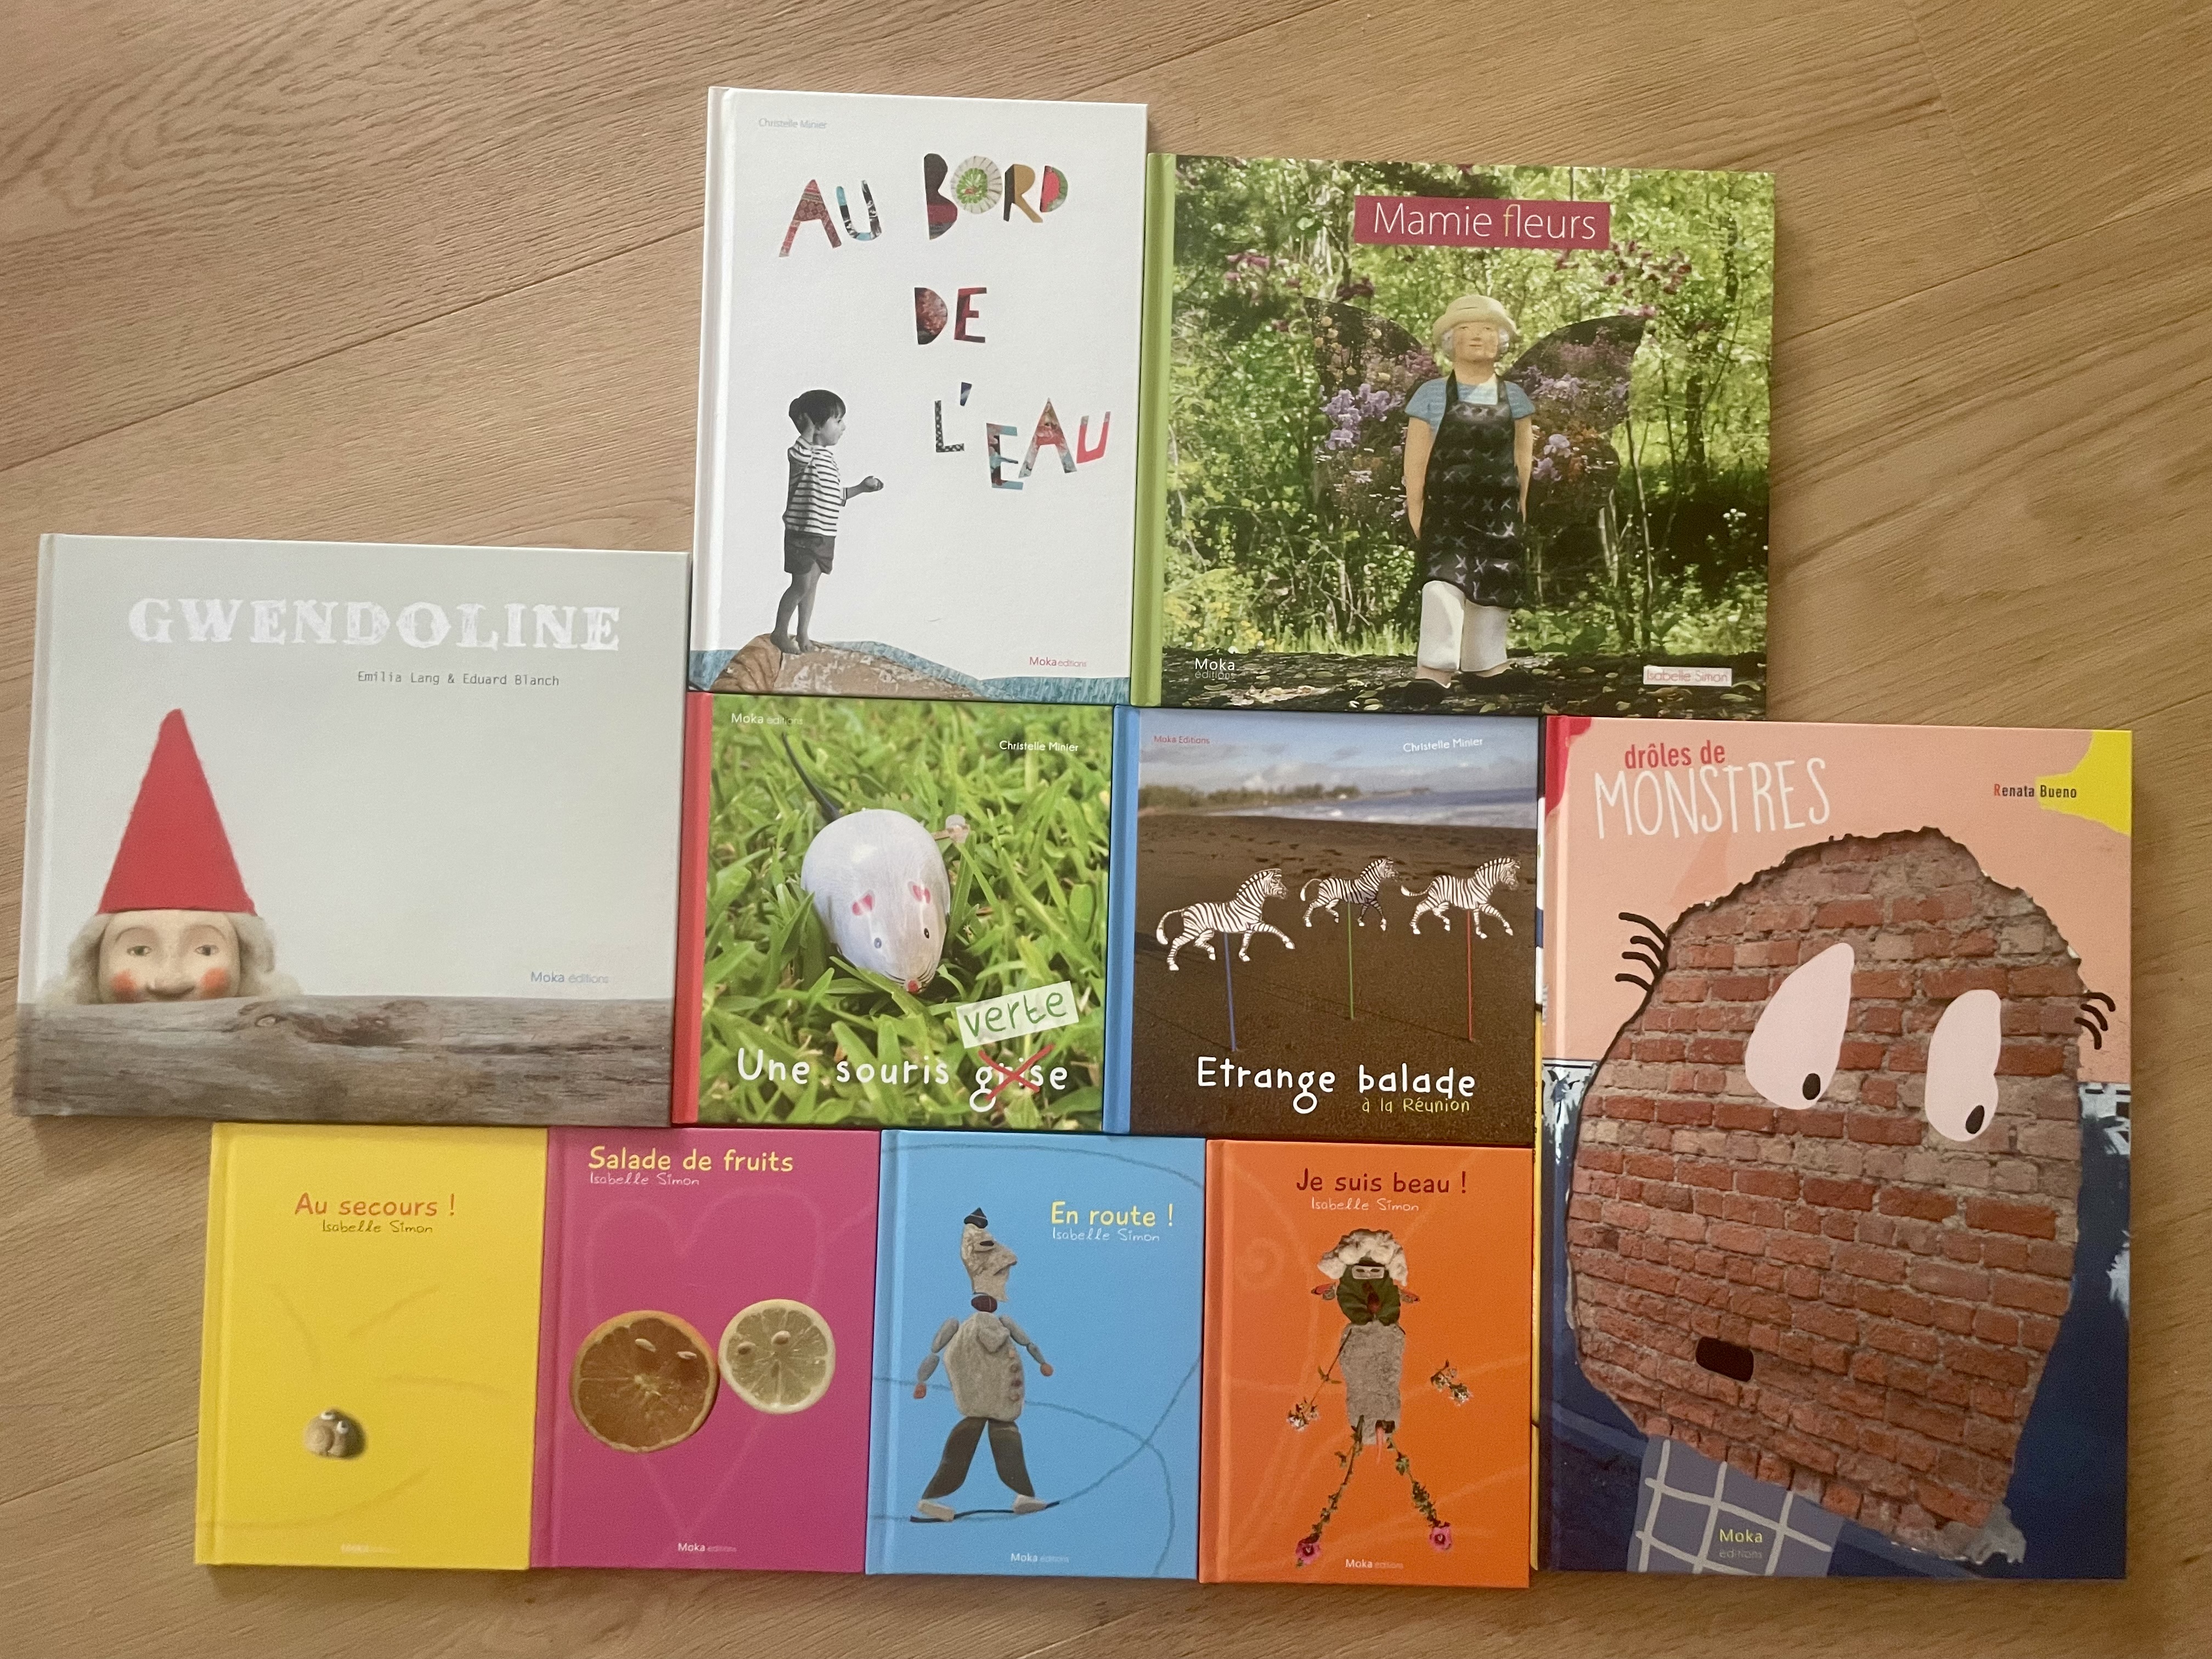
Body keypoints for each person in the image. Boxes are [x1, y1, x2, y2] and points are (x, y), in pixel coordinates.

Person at [1401, 296, 1534, 698]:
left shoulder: (1516, 397)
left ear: (1502, 341)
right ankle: (1433, 671)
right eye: (1466, 329)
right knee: (1443, 584)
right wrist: (1416, 506)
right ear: (1449, 341)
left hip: (1500, 512)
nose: (1478, 336)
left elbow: (1522, 457)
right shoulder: (1431, 395)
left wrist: (1520, 506)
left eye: (1488, 329)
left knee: (1495, 581)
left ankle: (1486, 665)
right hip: (1447, 511)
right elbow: (1416, 459)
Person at [910, 1208, 1054, 1520]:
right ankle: (1020, 1495)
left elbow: (936, 1351)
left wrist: (922, 1381)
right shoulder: (995, 1324)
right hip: (995, 1401)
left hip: (980, 1401)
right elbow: (1027, 1344)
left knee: (972, 1442)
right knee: (991, 1441)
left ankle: (933, 1499)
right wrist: (1042, 1363)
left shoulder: (967, 1326)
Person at [770, 388, 883, 655]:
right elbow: (797, 456)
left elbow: (835, 496)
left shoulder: (828, 459)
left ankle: (803, 634)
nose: (843, 427)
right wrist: (808, 429)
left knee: (811, 587)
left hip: (825, 534)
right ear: (818, 426)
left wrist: (861, 488)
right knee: (801, 585)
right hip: (803, 534)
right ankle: (779, 632)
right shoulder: (804, 453)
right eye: (838, 421)